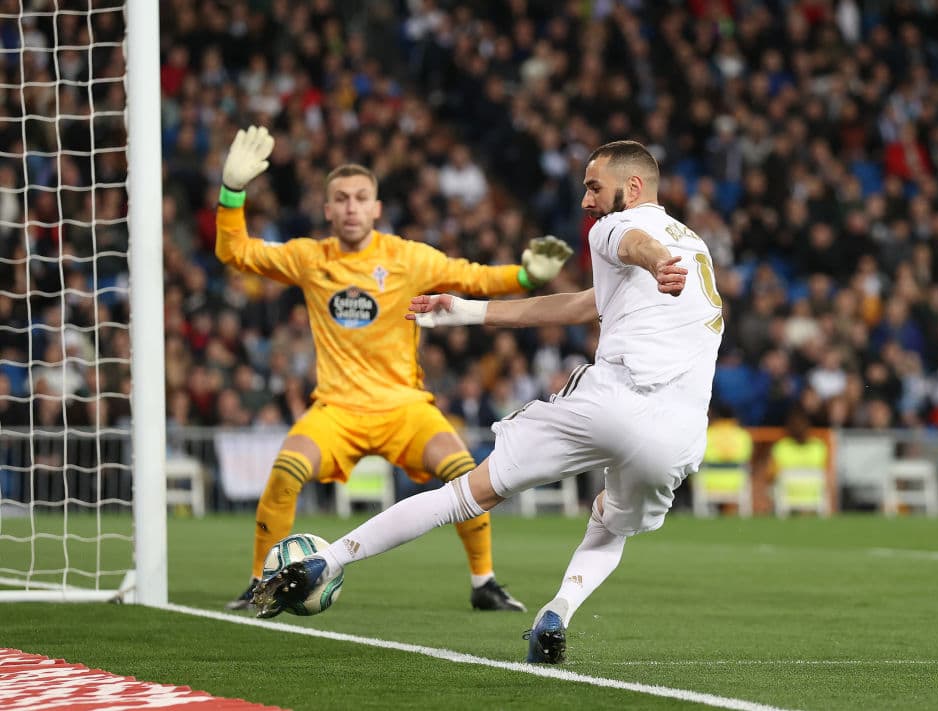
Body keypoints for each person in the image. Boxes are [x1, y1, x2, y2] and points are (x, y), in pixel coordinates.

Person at [251, 140, 722, 665]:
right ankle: (558, 612)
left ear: (632, 187)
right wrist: (468, 312)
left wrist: (657, 261)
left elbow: (634, 241)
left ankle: (331, 558)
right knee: (611, 525)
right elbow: (579, 305)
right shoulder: (697, 246)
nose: (586, 200)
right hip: (680, 432)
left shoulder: (617, 226)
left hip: (613, 398)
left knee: (463, 496)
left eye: (593, 186)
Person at [217, 126, 573, 612]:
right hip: (336, 409)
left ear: (376, 208)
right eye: (340, 199)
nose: (350, 207)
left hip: (404, 407)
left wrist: (527, 276)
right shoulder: (308, 258)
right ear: (326, 210)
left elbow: (473, 275)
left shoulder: (407, 258)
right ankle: (262, 581)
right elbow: (235, 252)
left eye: (361, 198)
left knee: (465, 470)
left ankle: (483, 582)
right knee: (284, 472)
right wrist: (232, 193)